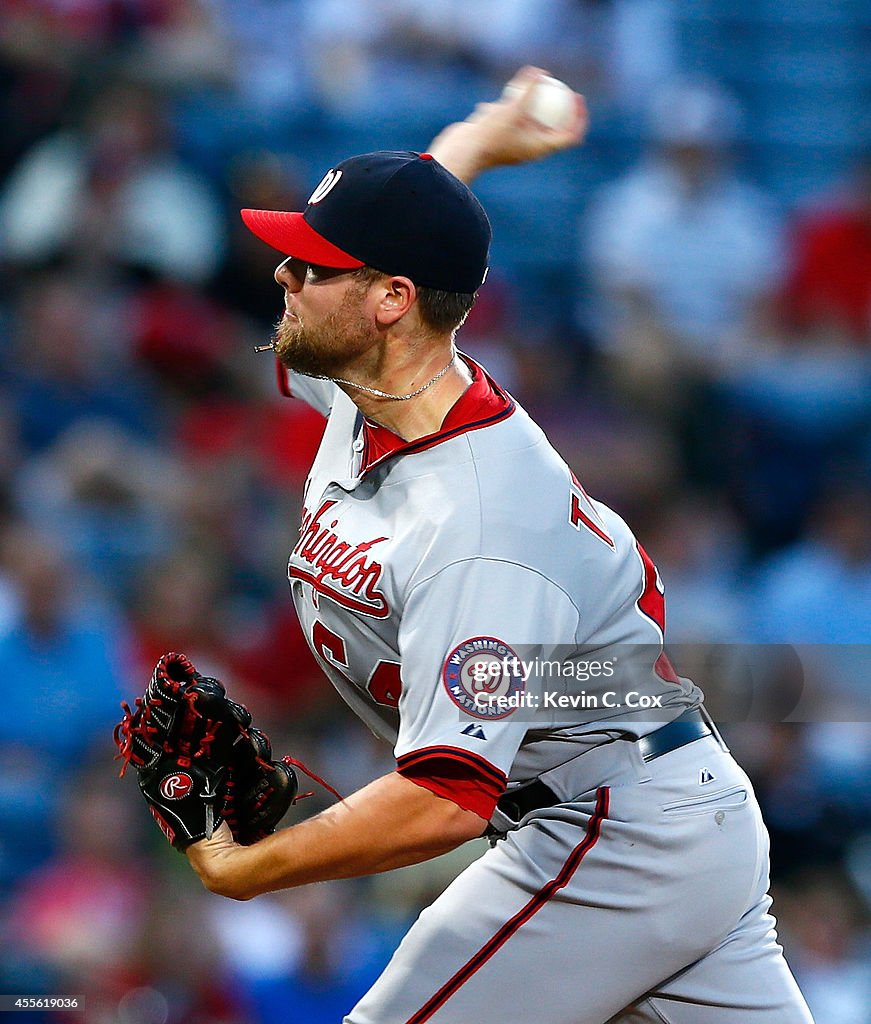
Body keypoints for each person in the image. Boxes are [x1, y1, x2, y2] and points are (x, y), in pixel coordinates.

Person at [183, 68, 813, 1024]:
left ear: (391, 300)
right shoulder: (375, 378)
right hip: (663, 807)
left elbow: (443, 800)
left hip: (611, 828)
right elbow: (410, 227)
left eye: (311, 265)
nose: (285, 275)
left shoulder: (479, 525)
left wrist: (247, 867)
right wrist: (477, 140)